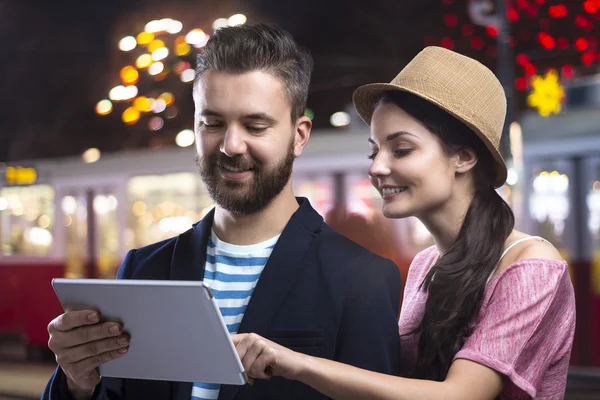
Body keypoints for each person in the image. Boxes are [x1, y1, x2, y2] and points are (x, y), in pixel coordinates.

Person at [42, 23, 402, 400]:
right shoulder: (143, 268)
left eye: (255, 125)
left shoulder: (363, 280)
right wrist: (76, 382)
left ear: (299, 135)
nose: (231, 145)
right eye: (212, 123)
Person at [231, 46, 576, 399]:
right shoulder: (425, 266)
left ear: (464, 156)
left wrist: (296, 362)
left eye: (401, 149)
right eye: (374, 150)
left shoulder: (532, 268)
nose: (376, 168)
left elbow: (460, 395)